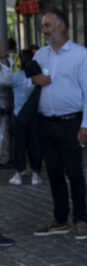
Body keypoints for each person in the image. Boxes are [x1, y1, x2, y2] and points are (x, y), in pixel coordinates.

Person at [29, 9, 87, 239]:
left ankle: (82, 219)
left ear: (61, 26)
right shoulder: (40, 55)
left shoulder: (81, 55)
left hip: (71, 123)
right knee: (54, 172)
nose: (43, 30)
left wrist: (86, 125)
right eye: (43, 26)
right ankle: (60, 219)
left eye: (47, 25)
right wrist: (33, 80)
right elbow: (25, 88)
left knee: (75, 172)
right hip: (45, 123)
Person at [2, 48, 43, 185]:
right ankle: (35, 175)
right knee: (35, 145)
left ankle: (18, 173)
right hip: (36, 116)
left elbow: (4, 81)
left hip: (19, 115)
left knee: (19, 146)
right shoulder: (41, 77)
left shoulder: (18, 76)